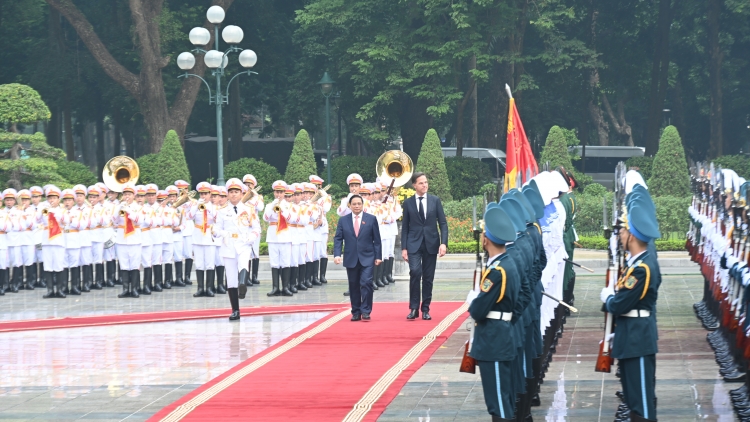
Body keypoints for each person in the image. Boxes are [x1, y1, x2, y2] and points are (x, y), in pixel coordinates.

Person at [600, 185, 661, 422]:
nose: (621, 236)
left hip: (637, 340)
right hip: (631, 336)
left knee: (642, 404)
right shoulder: (637, 264)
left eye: (623, 231)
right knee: (634, 400)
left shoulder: (642, 269)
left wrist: (608, 298)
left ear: (633, 235)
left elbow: (619, 304)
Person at [466, 205, 520, 422]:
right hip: (500, 337)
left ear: (486, 240)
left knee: (498, 404)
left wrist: (474, 300)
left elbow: (478, 311)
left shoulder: (497, 272)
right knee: (500, 400)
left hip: (494, 342)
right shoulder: (507, 264)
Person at [401, 172, 448, 320]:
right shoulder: (408, 203)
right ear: (414, 185)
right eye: (421, 183)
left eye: (426, 182)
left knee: (428, 277)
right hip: (413, 244)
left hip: (431, 243)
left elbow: (443, 223)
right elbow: (405, 227)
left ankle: (425, 308)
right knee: (415, 272)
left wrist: (443, 243)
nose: (425, 185)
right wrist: (404, 248)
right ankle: (413, 308)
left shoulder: (435, 200)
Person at [212, 178, 261, 320]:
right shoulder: (222, 211)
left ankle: (243, 285)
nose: (233, 195)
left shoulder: (249, 209)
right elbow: (216, 228)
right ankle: (235, 310)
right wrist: (219, 233)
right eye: (231, 192)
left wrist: (251, 237)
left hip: (243, 242)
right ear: (227, 194)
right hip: (228, 244)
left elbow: (256, 228)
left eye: (236, 192)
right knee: (231, 279)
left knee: (244, 264)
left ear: (241, 193)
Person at [334, 194, 382, 321]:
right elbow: (338, 238)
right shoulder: (343, 220)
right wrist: (337, 255)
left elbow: (377, 240)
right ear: (350, 205)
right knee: (353, 285)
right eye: (354, 204)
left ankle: (366, 310)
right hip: (351, 258)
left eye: (359, 204)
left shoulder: (371, 219)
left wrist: (378, 256)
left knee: (366, 282)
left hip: (367, 257)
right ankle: (356, 311)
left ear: (362, 205)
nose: (356, 206)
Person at [243, 174, 264, 286]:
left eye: (250, 184)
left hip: (254, 226)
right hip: (245, 226)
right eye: (246, 184)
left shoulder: (258, 197)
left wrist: (254, 196)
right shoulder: (241, 196)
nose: (248, 186)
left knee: (255, 252)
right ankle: (246, 277)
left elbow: (260, 208)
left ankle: (254, 276)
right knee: (247, 253)